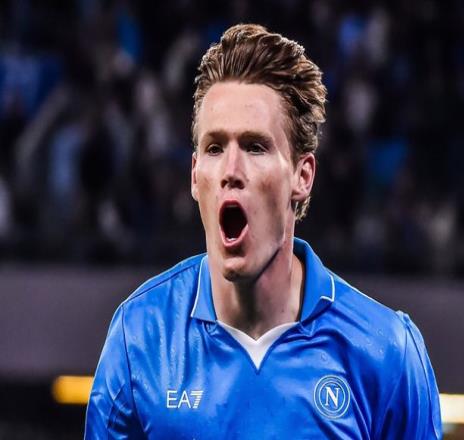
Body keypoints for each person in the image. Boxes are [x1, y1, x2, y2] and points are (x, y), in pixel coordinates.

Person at [85, 24, 442, 439]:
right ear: (195, 175)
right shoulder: (140, 337)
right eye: (215, 148)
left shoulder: (387, 352)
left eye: (255, 147)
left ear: (302, 176)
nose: (231, 171)